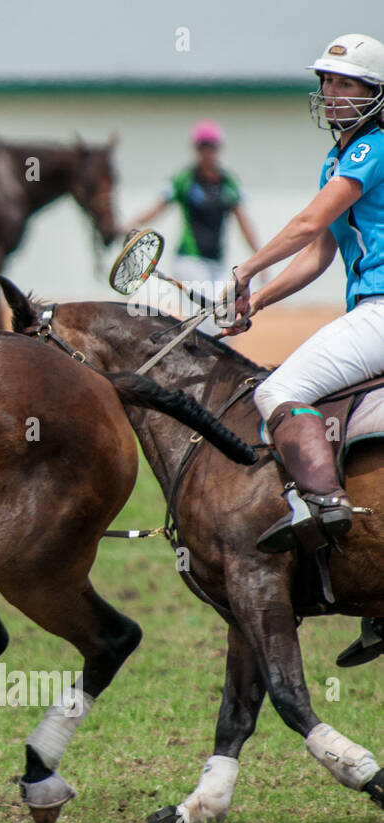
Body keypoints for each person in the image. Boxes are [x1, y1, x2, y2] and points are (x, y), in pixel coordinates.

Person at [226, 34, 384, 664]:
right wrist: (260, 298)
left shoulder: (373, 148)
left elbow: (307, 225)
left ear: (375, 96)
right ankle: (377, 603)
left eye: (349, 85)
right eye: (328, 82)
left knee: (277, 391)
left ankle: (322, 508)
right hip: (368, 312)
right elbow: (321, 254)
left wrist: (240, 271)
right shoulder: (337, 157)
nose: (334, 94)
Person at [125, 120, 261, 333]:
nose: (207, 151)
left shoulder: (229, 182)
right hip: (189, 259)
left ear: (218, 148)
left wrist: (258, 257)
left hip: (216, 260)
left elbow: (243, 221)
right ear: (196, 149)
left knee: (225, 318)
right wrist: (131, 226)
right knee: (205, 319)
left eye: (211, 146)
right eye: (202, 146)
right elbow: (158, 207)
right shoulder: (184, 179)